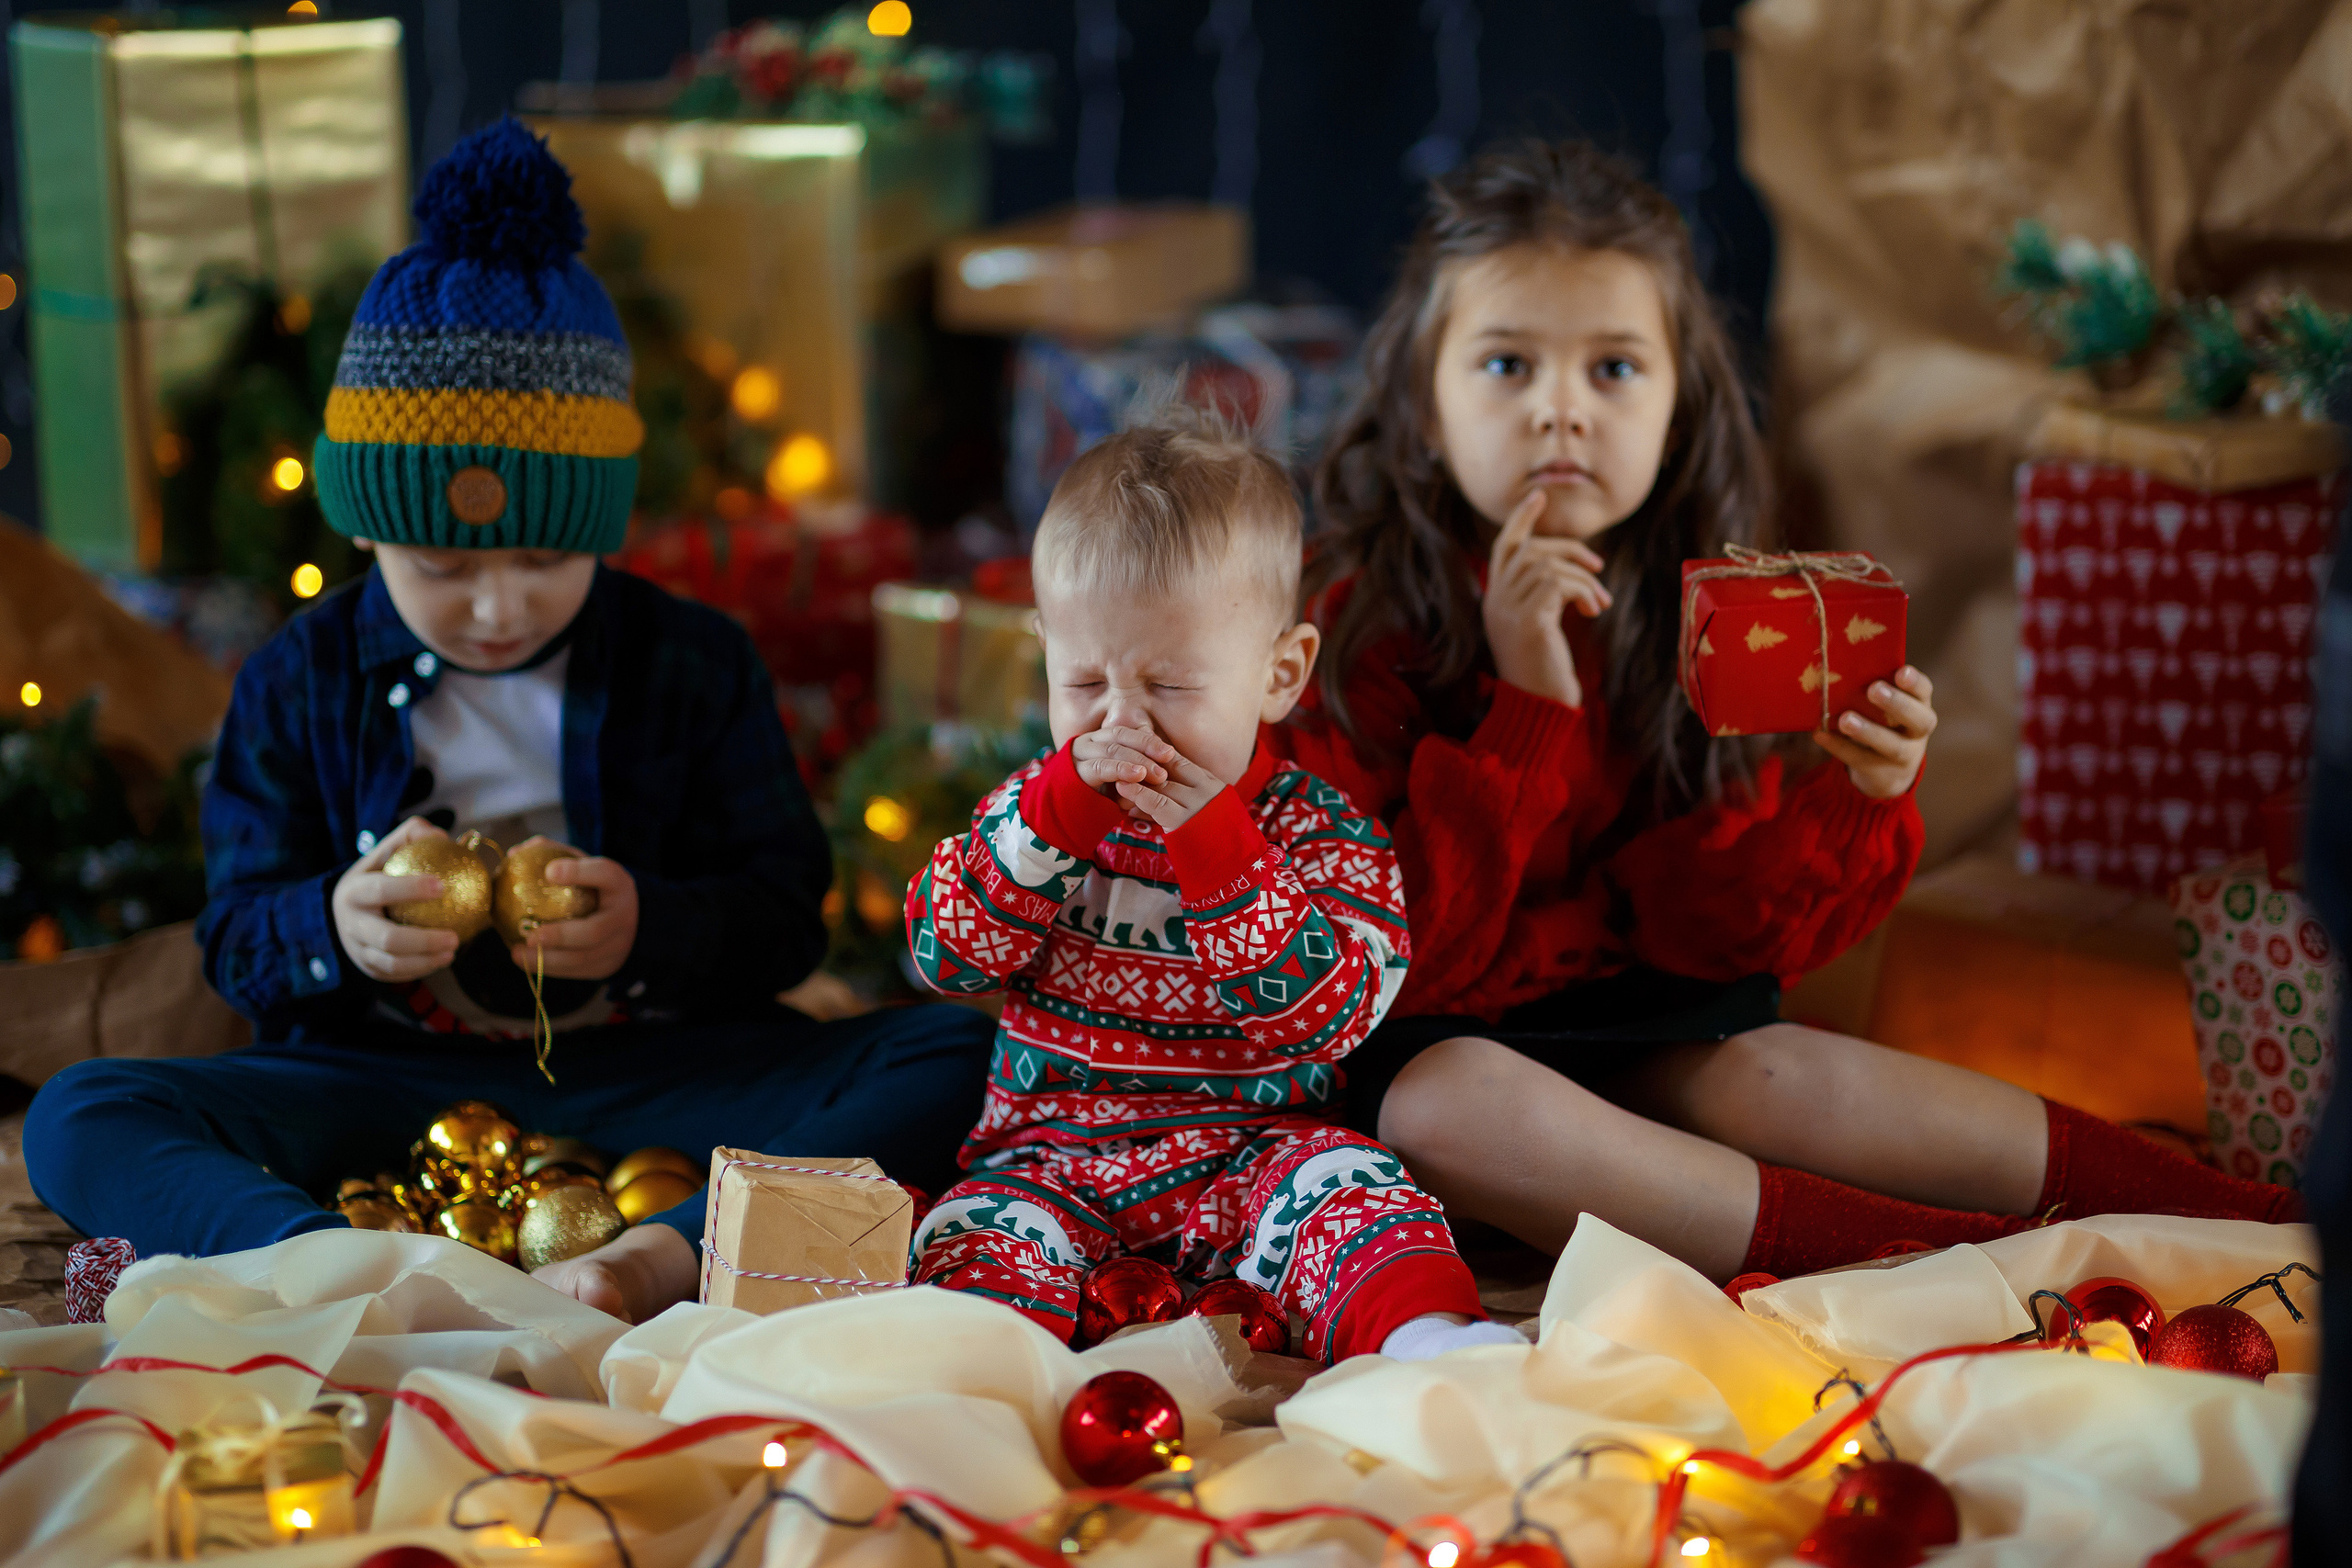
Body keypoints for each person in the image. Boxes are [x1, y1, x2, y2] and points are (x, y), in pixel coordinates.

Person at [23, 118, 993, 1324]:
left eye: (544, 560)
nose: (496, 605)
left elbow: (785, 920)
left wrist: (649, 926)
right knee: (82, 1112)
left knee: (953, 1057)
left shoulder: (691, 661)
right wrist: (333, 924)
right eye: (441, 566)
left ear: (603, 529)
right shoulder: (300, 677)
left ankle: (666, 1254)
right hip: (377, 1074)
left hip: (651, 1066)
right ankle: (327, 1259)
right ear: (364, 527)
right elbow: (234, 937)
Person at [1281, 140, 2299, 1284]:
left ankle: (2256, 1216)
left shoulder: (1721, 617)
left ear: (1677, 409)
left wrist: (1857, 796)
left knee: (1777, 1071)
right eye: (1507, 365)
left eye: (1613, 369)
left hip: (1634, 1039)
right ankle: (1979, 1266)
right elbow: (1378, 963)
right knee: (1445, 1104)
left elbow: (1712, 941)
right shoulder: (1346, 627)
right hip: (1424, 1053)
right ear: (1423, 405)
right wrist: (1526, 713)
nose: (1560, 412)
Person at [902, 417, 1522, 1364]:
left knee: (1353, 1184)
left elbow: (1329, 1021)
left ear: (1279, 674)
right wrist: (1053, 820)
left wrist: (1221, 857)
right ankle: (984, 1378)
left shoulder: (1324, 835)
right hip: (1050, 1163)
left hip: (1252, 1158)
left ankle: (1427, 1340)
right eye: (1084, 683)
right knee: (971, 1231)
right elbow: (942, 956)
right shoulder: (1034, 813)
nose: (1122, 723)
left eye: (1170, 686)